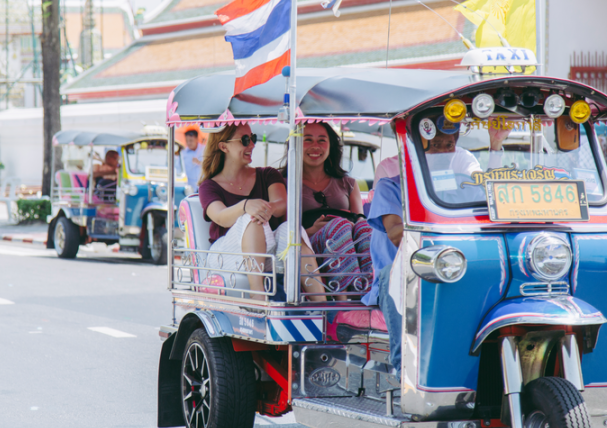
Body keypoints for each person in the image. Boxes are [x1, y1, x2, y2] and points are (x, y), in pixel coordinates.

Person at [364, 112, 509, 379]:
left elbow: (493, 196)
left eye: (448, 145)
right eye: (433, 145)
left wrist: (496, 145)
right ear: (418, 147)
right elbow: (397, 234)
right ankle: (402, 369)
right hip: (403, 273)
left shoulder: (462, 182)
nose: (441, 151)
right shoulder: (391, 185)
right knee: (393, 276)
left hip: (449, 267)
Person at [199, 123, 326, 302]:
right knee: (250, 219)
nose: (252, 144)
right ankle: (258, 296)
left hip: (266, 252)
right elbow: (221, 217)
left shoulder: (267, 174)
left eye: (253, 138)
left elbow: (281, 203)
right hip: (227, 257)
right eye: (245, 140)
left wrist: (266, 208)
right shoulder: (209, 186)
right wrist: (246, 205)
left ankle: (322, 304)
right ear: (223, 146)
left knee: (290, 229)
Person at [287, 122, 373, 296]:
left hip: (347, 239)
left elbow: (360, 220)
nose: (315, 147)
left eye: (322, 140)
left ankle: (370, 290)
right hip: (307, 246)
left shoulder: (348, 183)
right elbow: (281, 229)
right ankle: (344, 297)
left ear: (330, 145)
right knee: (340, 225)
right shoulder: (284, 182)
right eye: (308, 140)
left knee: (365, 227)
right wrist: (310, 230)